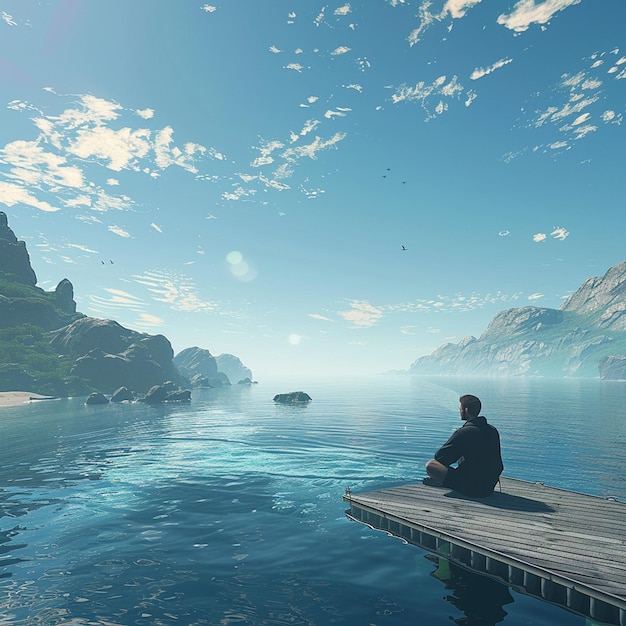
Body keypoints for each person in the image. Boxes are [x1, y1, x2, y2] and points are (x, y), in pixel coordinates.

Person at [424, 394, 503, 497]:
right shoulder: (492, 430)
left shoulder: (464, 432)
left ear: (465, 410)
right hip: (489, 486)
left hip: (472, 486)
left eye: (460, 408)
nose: (459, 410)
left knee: (431, 465)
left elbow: (440, 457)